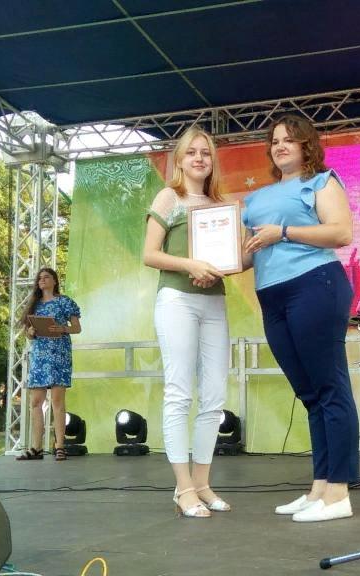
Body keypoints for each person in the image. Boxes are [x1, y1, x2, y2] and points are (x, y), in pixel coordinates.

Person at [242, 115, 358, 523]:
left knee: (329, 387)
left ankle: (339, 492)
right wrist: (203, 262)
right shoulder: (255, 199)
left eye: (289, 139)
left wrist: (285, 232)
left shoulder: (321, 182)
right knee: (309, 394)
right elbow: (244, 254)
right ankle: (319, 489)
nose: (280, 146)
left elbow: (341, 233)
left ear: (306, 145)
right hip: (271, 295)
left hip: (315, 284)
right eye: (275, 141)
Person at [143, 126, 231, 519]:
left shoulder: (220, 205)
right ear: (179, 159)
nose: (199, 158)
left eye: (206, 153)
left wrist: (228, 263)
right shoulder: (169, 197)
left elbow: (228, 259)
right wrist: (190, 265)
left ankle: (202, 483)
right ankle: (183, 488)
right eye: (192, 152)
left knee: (214, 396)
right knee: (179, 393)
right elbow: (150, 254)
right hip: (176, 300)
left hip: (214, 302)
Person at [17, 269, 81, 462]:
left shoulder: (65, 301)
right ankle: (36, 447)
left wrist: (62, 328)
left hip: (59, 354)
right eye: (40, 278)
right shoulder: (34, 304)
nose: (42, 280)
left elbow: (77, 328)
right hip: (39, 355)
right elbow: (29, 335)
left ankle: (60, 446)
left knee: (57, 402)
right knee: (35, 402)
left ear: (54, 281)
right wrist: (30, 332)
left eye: (46, 277)